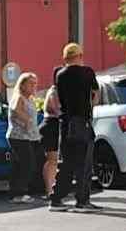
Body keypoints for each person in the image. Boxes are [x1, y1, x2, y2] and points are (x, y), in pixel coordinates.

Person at [49, 41, 98, 209]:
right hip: (82, 122)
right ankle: (82, 200)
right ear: (80, 56)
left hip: (65, 123)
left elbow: (57, 96)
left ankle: (56, 199)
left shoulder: (59, 74)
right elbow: (95, 95)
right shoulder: (87, 72)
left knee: (66, 163)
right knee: (84, 164)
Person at [7, 71, 42, 201]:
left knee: (21, 164)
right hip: (19, 136)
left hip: (27, 137)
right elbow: (16, 110)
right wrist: (27, 121)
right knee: (27, 164)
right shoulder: (19, 97)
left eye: (35, 84)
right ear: (22, 85)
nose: (34, 86)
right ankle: (19, 193)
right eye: (31, 84)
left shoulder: (29, 99)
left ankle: (15, 193)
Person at [39, 80, 61, 202]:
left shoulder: (58, 91)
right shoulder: (53, 91)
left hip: (54, 126)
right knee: (52, 160)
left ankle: (53, 189)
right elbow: (56, 109)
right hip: (50, 126)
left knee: (55, 160)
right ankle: (49, 190)